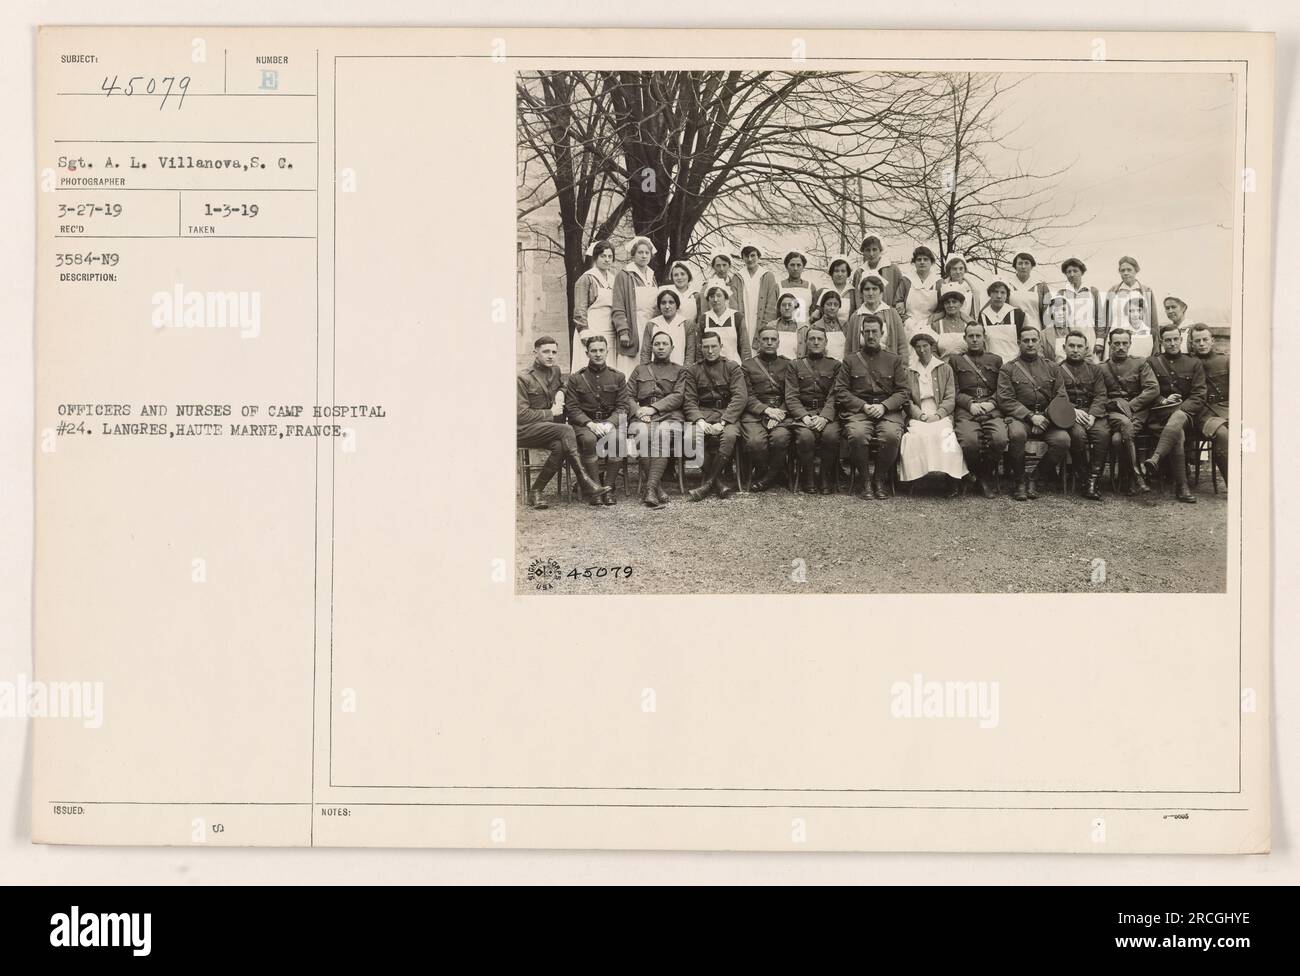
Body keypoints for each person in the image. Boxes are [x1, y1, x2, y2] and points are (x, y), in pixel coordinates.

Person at [517, 335, 611, 507]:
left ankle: (536, 491)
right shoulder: (522, 378)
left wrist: (561, 392)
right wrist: (550, 413)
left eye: (554, 352)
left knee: (560, 446)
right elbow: (520, 415)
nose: (550, 355)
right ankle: (585, 482)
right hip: (523, 431)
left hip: (545, 430)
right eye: (545, 351)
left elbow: (561, 386)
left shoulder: (555, 370)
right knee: (566, 430)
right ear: (535, 352)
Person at [833, 316, 910, 500]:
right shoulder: (850, 361)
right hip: (860, 411)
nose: (870, 335)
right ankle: (865, 481)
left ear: (882, 333)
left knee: (891, 435)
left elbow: (904, 391)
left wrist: (884, 406)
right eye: (866, 331)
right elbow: (840, 390)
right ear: (861, 334)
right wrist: (863, 406)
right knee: (857, 434)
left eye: (874, 331)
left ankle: (879, 479)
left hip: (888, 411)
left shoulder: (894, 360)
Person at [996, 325, 1069, 502]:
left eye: (1034, 340)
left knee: (1063, 440)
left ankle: (1035, 477)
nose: (1030, 344)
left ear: (1040, 343)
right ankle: (1020, 480)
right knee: (1017, 434)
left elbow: (1061, 396)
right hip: (1021, 418)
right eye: (1026, 341)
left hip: (1046, 418)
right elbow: (1005, 399)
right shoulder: (1008, 369)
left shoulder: (1052, 367)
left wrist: (1044, 417)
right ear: (1019, 343)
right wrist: (1030, 417)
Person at [1140, 324, 1206, 504]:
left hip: (1188, 415)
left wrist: (1181, 408)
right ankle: (1182, 487)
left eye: (1175, 339)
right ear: (1161, 342)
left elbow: (1199, 395)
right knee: (1178, 433)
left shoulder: (1194, 363)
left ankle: (1156, 458)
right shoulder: (1152, 362)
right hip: (1160, 416)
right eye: (1168, 340)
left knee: (1178, 421)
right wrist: (1162, 400)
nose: (1172, 343)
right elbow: (1148, 390)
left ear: (1181, 340)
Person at [563, 334, 633, 506]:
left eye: (601, 350)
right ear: (587, 353)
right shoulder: (576, 378)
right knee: (588, 439)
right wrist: (590, 424)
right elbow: (572, 408)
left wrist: (610, 423)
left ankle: (608, 488)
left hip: (610, 422)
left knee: (617, 439)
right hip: (585, 424)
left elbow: (623, 406)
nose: (598, 354)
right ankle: (595, 490)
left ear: (607, 351)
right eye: (593, 351)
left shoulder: (617, 376)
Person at [899, 331, 967, 495]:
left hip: (939, 411)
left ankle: (952, 479)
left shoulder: (945, 368)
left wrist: (938, 414)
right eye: (918, 347)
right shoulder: (908, 371)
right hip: (918, 412)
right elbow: (906, 399)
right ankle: (913, 478)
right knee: (914, 436)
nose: (922, 350)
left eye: (925, 346)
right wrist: (920, 415)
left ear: (932, 347)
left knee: (945, 434)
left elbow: (950, 397)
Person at [683, 331, 748, 501]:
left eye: (714, 346)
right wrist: (699, 421)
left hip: (727, 414)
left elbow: (740, 397)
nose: (710, 350)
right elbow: (689, 400)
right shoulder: (693, 370)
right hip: (703, 413)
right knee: (690, 438)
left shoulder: (732, 367)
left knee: (729, 436)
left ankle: (707, 484)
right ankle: (717, 482)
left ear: (721, 347)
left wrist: (724, 421)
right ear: (700, 348)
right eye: (706, 347)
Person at [946, 321, 1008, 498]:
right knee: (969, 442)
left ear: (984, 337)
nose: (974, 339)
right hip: (967, 410)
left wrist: (992, 403)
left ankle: (984, 476)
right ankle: (976, 473)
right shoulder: (955, 360)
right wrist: (969, 404)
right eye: (970, 336)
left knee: (1000, 439)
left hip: (991, 408)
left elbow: (1002, 389)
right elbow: (953, 390)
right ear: (965, 338)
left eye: (978, 336)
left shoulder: (996, 360)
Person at [626, 331, 687, 509]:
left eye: (664, 344)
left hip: (670, 415)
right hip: (642, 414)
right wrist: (638, 411)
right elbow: (628, 395)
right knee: (641, 434)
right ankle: (655, 489)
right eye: (657, 344)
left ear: (672, 348)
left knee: (662, 434)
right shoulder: (640, 369)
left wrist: (653, 409)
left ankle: (650, 487)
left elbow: (678, 396)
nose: (660, 347)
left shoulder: (680, 370)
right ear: (651, 347)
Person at [1099, 327, 1159, 495]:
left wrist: (1130, 406)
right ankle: (1136, 477)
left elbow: (1152, 389)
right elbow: (1099, 395)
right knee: (1123, 429)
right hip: (1114, 412)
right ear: (1110, 344)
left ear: (1130, 344)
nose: (1121, 347)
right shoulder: (1101, 368)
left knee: (1118, 440)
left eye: (1125, 343)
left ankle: (1127, 478)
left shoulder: (1140, 363)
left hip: (1138, 412)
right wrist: (1116, 406)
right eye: (1116, 343)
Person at [785, 324, 843, 494]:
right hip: (804, 414)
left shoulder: (835, 366)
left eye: (819, 339)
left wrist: (824, 417)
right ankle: (808, 477)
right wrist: (804, 417)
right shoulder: (794, 365)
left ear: (826, 342)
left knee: (831, 436)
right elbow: (791, 396)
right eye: (812, 339)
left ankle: (825, 477)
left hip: (827, 414)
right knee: (805, 437)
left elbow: (835, 395)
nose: (816, 342)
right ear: (806, 342)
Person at [741, 324, 796, 492]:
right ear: (758, 342)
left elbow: (792, 394)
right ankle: (775, 473)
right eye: (765, 339)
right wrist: (766, 410)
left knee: (780, 438)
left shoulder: (789, 365)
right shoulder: (747, 366)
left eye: (773, 339)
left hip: (781, 413)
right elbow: (746, 395)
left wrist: (779, 412)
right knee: (755, 442)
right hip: (755, 414)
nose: (769, 343)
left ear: (779, 343)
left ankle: (766, 479)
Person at [1057, 329, 1109, 500]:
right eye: (1071, 346)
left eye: (1079, 346)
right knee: (1078, 435)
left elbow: (1101, 395)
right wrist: (1072, 409)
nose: (1075, 349)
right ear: (1064, 347)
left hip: (1092, 413)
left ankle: (1093, 481)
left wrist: (1093, 414)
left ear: (1086, 349)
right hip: (1070, 413)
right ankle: (1083, 477)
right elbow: (1057, 395)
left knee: (1102, 434)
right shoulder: (1057, 370)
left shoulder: (1095, 370)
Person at [610, 235, 659, 372]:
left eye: (646, 253)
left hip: (650, 326)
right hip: (633, 327)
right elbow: (618, 306)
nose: (644, 256)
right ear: (633, 254)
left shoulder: (652, 276)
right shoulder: (624, 275)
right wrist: (623, 331)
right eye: (640, 252)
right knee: (630, 367)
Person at [1189, 323, 1229, 487]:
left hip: (1227, 408)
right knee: (1222, 434)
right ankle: (1232, 484)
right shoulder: (1188, 363)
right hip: (1203, 413)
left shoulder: (1225, 360)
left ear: (1212, 341)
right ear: (1192, 343)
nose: (1202, 344)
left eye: (1205, 339)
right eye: (1197, 341)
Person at [571, 240, 617, 373]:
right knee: (588, 365)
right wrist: (585, 333)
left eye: (610, 256)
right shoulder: (586, 279)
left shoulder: (613, 279)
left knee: (608, 366)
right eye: (603, 256)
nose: (607, 260)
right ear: (596, 257)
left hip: (609, 328)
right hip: (591, 328)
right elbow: (579, 310)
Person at [1054, 257, 1104, 358]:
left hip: (1089, 337)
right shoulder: (1061, 292)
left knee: (1090, 368)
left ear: (1082, 272)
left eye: (1075, 271)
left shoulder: (1092, 291)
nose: (1072, 274)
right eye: (1068, 272)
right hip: (1069, 339)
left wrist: (1099, 340)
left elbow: (1100, 318)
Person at [848, 274, 907, 358]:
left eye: (875, 289)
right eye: (867, 289)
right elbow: (849, 347)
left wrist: (902, 366)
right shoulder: (855, 317)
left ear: (881, 291)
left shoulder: (892, 314)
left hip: (887, 365)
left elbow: (902, 345)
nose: (870, 293)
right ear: (861, 292)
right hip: (862, 366)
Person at [1104, 255, 1157, 342]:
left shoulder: (1146, 291)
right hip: (1116, 339)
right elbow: (1105, 318)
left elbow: (1153, 320)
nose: (1125, 273)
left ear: (1136, 271)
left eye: (1129, 270)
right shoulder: (1113, 291)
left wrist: (1155, 342)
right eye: (1122, 270)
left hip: (1141, 338)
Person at [851, 235, 909, 312]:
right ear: (863, 252)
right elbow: (856, 298)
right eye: (868, 250)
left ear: (880, 250)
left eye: (874, 249)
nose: (871, 254)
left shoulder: (892, 270)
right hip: (865, 316)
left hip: (888, 315)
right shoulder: (859, 272)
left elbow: (901, 293)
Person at [699, 283, 750, 364]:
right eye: (712, 296)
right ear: (708, 299)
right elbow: (699, 347)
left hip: (734, 365)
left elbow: (745, 346)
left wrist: (746, 367)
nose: (715, 299)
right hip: (710, 367)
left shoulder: (736, 316)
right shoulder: (704, 318)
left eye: (719, 295)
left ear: (725, 297)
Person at [640, 288, 690, 366]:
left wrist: (685, 374)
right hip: (655, 373)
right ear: (659, 306)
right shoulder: (651, 324)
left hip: (680, 372)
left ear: (677, 304)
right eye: (663, 303)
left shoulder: (686, 323)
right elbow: (645, 353)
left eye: (671, 302)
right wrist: (646, 373)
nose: (667, 306)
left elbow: (690, 353)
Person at [737, 244, 779, 336]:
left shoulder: (768, 276)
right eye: (746, 256)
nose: (749, 259)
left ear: (758, 256)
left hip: (761, 321)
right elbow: (734, 303)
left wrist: (765, 326)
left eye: (753, 255)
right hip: (744, 320)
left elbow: (771, 304)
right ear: (742, 257)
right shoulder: (738, 276)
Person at [901, 245, 941, 341]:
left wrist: (932, 320)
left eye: (925, 259)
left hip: (930, 323)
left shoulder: (938, 282)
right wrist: (906, 320)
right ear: (914, 262)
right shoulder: (906, 280)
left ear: (931, 262)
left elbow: (942, 308)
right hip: (908, 324)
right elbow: (897, 302)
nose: (922, 262)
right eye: (919, 259)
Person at [1004, 252, 1049, 333]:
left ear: (1032, 266)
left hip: (1035, 330)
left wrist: (1045, 333)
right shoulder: (1007, 285)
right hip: (1013, 330)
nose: (1023, 267)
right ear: (1015, 266)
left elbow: (1047, 313)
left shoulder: (1041, 286)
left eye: (1027, 263)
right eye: (1020, 263)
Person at [798, 288, 849, 359]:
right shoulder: (815, 327)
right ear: (822, 306)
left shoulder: (845, 325)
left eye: (835, 305)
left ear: (839, 307)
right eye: (829, 304)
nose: (832, 308)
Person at [935, 253, 984, 325]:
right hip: (947, 323)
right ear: (949, 270)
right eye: (954, 269)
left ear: (965, 270)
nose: (958, 272)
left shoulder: (972, 288)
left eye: (961, 268)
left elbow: (974, 311)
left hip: (968, 323)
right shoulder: (942, 286)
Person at [813, 255, 859, 323]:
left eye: (843, 271)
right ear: (831, 273)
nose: (840, 274)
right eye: (836, 271)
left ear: (848, 273)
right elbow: (814, 317)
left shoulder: (854, 293)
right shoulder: (822, 291)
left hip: (847, 331)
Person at [928, 288, 972, 359]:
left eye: (954, 302)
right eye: (947, 303)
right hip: (944, 364)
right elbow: (932, 351)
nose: (951, 305)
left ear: (961, 304)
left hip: (966, 365)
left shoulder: (968, 325)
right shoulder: (936, 325)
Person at [777, 251, 814, 327]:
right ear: (786, 266)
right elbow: (774, 313)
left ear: (803, 267)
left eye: (799, 265)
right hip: (783, 330)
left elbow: (814, 313)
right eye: (792, 265)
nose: (795, 268)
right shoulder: (779, 286)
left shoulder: (810, 287)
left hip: (805, 330)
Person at [763, 290, 803, 359]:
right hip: (775, 366)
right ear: (779, 308)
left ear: (795, 307)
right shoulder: (770, 326)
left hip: (795, 367)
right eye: (784, 305)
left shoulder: (803, 329)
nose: (787, 308)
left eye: (790, 305)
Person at [699, 251, 742, 317]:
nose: (722, 269)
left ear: (729, 266)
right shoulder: (706, 287)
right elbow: (704, 313)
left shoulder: (735, 285)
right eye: (718, 265)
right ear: (713, 267)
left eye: (724, 265)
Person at [666, 259, 701, 324]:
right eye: (676, 275)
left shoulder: (696, 295)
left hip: (691, 331)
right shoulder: (667, 294)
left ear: (688, 275)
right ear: (672, 277)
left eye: (682, 274)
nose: (679, 277)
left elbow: (699, 319)